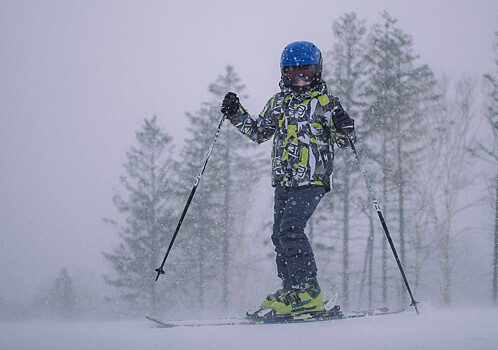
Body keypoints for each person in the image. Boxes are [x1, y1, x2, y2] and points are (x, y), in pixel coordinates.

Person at [221, 41, 355, 316]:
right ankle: (292, 288)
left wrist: (345, 125)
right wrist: (235, 113)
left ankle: (308, 291)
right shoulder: (279, 102)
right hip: (284, 179)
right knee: (279, 234)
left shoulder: (325, 103)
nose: (301, 77)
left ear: (317, 71)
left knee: (290, 229)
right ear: (285, 74)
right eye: (294, 72)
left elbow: (344, 139)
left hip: (312, 178)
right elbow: (259, 132)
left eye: (306, 71)